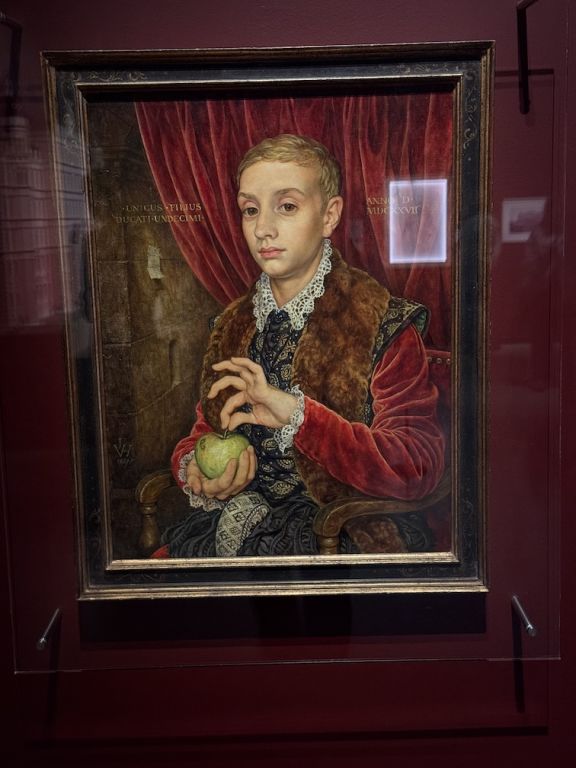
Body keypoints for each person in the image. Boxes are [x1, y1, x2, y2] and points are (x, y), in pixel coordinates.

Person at [158, 134, 445, 558]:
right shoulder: (232, 326)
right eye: (250, 209)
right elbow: (204, 431)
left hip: (341, 531)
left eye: (287, 206)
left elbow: (417, 464)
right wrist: (197, 468)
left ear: (330, 216)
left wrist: (298, 415)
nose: (263, 229)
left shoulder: (382, 321)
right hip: (240, 519)